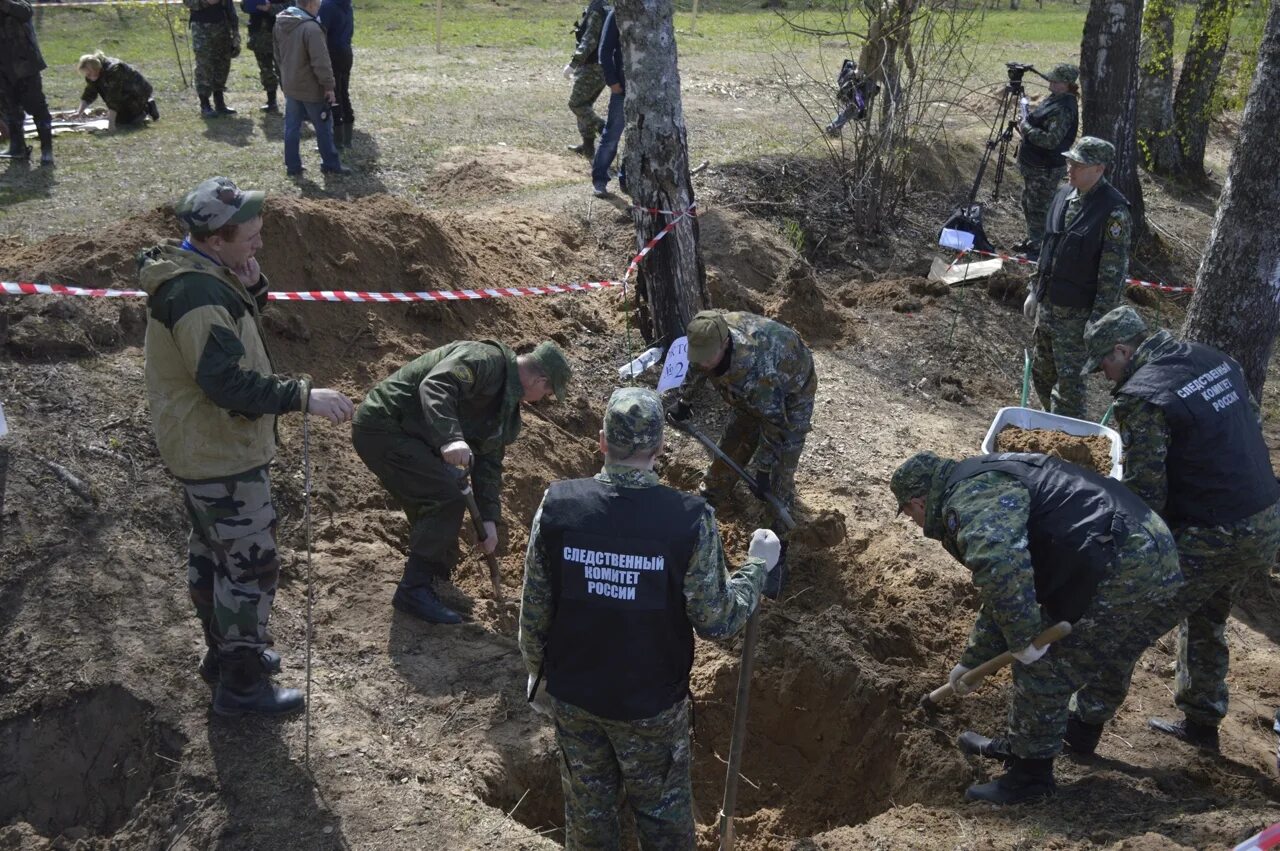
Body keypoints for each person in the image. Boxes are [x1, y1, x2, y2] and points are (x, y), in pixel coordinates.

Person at [519, 386, 780, 848]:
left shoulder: (557, 505)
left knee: (590, 818)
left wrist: (536, 674)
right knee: (661, 823)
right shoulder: (688, 519)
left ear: (602, 441)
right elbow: (716, 620)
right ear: (660, 448)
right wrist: (757, 569)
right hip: (650, 708)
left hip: (575, 696)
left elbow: (536, 604)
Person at [138, 176, 355, 716]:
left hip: (204, 450)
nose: (259, 244)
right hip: (219, 455)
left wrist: (251, 289)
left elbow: (220, 345)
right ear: (214, 239)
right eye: (251, 237)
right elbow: (226, 383)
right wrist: (303, 397)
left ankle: (225, 656)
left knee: (211, 554)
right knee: (250, 568)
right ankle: (241, 685)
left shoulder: (203, 275)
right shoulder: (199, 294)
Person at [891, 450, 1181, 804]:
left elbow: (1001, 567)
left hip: (1127, 561)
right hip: (1131, 544)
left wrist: (1023, 637)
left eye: (907, 513)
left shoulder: (969, 500)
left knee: (1044, 666)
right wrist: (973, 660)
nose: (913, 523)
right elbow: (1004, 586)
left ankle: (1030, 779)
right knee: (1046, 644)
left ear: (919, 501)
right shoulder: (978, 478)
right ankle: (1030, 742)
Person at [1065, 306, 1280, 754]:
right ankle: (1202, 721)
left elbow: (1147, 495)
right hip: (1264, 516)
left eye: (1104, 363)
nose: (1105, 377)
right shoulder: (1214, 359)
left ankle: (1081, 731)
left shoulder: (1144, 397)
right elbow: (1248, 427)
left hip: (1214, 533)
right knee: (1206, 613)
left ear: (1123, 351)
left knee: (1129, 623)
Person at [352, 340, 572, 624]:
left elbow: (489, 461)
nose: (543, 398)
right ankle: (413, 590)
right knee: (446, 498)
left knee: (443, 511)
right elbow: (436, 385)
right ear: (539, 380)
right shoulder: (485, 360)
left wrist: (490, 519)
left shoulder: (506, 405)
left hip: (413, 438)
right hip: (385, 426)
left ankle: (434, 582)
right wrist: (451, 437)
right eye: (548, 392)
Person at [671, 310, 816, 523]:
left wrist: (763, 469)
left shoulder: (755, 371)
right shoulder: (705, 339)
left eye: (707, 356)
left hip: (793, 385)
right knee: (733, 443)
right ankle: (709, 502)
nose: (703, 362)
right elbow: (697, 365)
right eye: (698, 355)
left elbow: (774, 422)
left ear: (725, 343)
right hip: (755, 387)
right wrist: (685, 400)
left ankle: (778, 532)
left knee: (781, 467)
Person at [1024, 135, 1131, 420]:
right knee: (1042, 374)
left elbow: (1113, 276)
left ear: (1098, 169)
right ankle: (1053, 428)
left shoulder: (1113, 211)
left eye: (1078, 164)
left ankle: (1069, 442)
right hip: (1048, 307)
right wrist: (1034, 289)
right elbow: (1048, 247)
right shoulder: (1063, 195)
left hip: (1077, 317)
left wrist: (1097, 323)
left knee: (1070, 388)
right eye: (1069, 161)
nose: (1069, 168)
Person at [274, 0, 350, 175]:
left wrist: (286, 76)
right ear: (310, 5)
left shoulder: (281, 22)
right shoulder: (312, 28)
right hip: (311, 88)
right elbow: (321, 62)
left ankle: (292, 166)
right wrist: (329, 87)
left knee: (291, 127)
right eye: (317, 5)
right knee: (323, 127)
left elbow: (277, 54)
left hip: (291, 85)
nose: (319, 9)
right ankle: (330, 163)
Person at [1013, 63, 1079, 260]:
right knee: (1029, 203)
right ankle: (1034, 240)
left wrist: (1026, 128)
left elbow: (1051, 140)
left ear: (1066, 84)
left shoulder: (1065, 108)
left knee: (1040, 208)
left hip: (1046, 168)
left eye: (1055, 80)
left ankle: (1041, 249)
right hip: (1035, 165)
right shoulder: (1055, 99)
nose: (1050, 82)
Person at [0, 0, 54, 165]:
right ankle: (18, 147)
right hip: (3, 70)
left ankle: (47, 151)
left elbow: (26, 12)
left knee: (37, 108)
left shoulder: (17, 4)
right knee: (11, 110)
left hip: (25, 67)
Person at [562, 0, 607, 159]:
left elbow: (590, 40)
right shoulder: (605, 5)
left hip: (593, 65)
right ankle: (588, 147)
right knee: (585, 104)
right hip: (601, 65)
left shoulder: (598, 8)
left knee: (577, 103)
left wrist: (573, 63)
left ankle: (604, 129)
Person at [73, 51, 159, 130]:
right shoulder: (93, 75)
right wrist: (79, 112)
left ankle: (147, 106)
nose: (88, 77)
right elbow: (89, 93)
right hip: (123, 94)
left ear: (96, 69)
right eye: (86, 75)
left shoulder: (115, 70)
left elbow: (114, 97)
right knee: (120, 120)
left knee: (129, 121)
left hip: (137, 92)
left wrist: (111, 125)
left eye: (89, 74)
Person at [183, 0, 240, 118]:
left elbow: (230, 7)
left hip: (223, 26)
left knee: (223, 64)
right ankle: (205, 105)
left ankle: (219, 103)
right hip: (202, 27)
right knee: (204, 65)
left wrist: (235, 32)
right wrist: (206, 2)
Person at [590, 7, 623, 197]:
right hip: (623, 89)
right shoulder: (618, 12)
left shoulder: (656, 9)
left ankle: (626, 180)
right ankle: (600, 180)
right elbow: (605, 50)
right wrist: (612, 81)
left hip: (649, 93)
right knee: (611, 137)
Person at [318, 0, 354, 149]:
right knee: (343, 93)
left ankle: (336, 139)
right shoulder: (347, 5)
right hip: (346, 51)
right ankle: (347, 138)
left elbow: (320, 32)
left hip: (332, 53)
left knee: (333, 95)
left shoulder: (327, 6)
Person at [241, 0, 288, 113]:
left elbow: (293, 6)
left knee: (285, 69)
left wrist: (271, 8)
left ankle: (293, 103)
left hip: (281, 33)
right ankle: (271, 102)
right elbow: (244, 6)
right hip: (259, 34)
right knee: (265, 69)